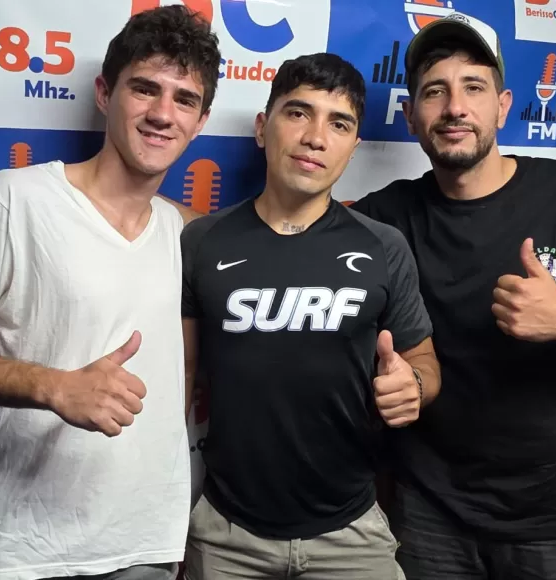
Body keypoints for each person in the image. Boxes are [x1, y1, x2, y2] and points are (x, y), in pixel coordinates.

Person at [0, 6, 220, 580]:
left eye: (184, 99)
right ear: (104, 93)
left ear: (201, 120)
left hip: (143, 546)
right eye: (144, 89)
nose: (162, 115)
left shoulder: (190, 234)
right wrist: (53, 385)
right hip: (20, 551)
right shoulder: (16, 199)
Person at [350, 12, 556, 580]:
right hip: (429, 512)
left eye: (474, 87)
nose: (455, 108)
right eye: (434, 92)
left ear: (503, 105)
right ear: (411, 116)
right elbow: (287, 235)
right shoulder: (385, 216)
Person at [179, 52, 441, 580]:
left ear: (352, 147)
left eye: (338, 123)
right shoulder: (201, 241)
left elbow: (425, 367)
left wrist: (412, 385)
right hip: (226, 533)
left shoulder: (383, 246)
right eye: (298, 112)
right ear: (263, 127)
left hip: (351, 532)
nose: (315, 136)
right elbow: (180, 381)